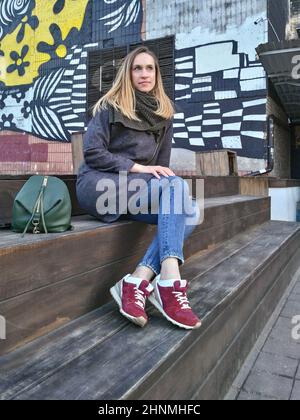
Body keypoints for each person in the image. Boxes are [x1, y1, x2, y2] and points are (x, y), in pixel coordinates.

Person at [76, 46, 201, 330]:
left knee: (191, 211)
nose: (144, 74)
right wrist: (140, 168)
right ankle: (169, 282)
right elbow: (92, 153)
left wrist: (156, 179)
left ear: (157, 74)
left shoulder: (164, 116)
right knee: (179, 193)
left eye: (150, 68)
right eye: (137, 68)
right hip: (99, 185)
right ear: (128, 74)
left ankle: (137, 280)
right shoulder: (110, 106)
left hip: (135, 191)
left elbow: (163, 169)